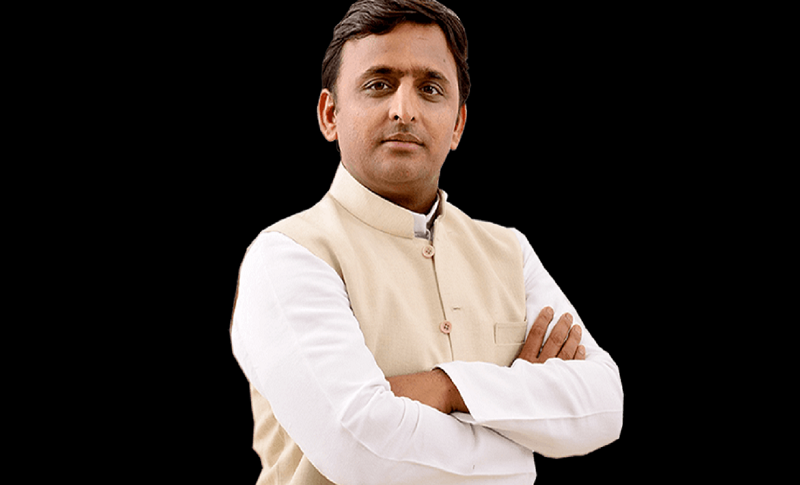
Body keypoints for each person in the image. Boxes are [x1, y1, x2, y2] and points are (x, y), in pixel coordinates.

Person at [230, 1, 623, 483]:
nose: (404, 109)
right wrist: (521, 444)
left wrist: (447, 389)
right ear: (330, 114)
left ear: (457, 124)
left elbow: (605, 406)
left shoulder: (509, 252)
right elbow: (358, 447)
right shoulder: (288, 257)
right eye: (379, 84)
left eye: (430, 89)